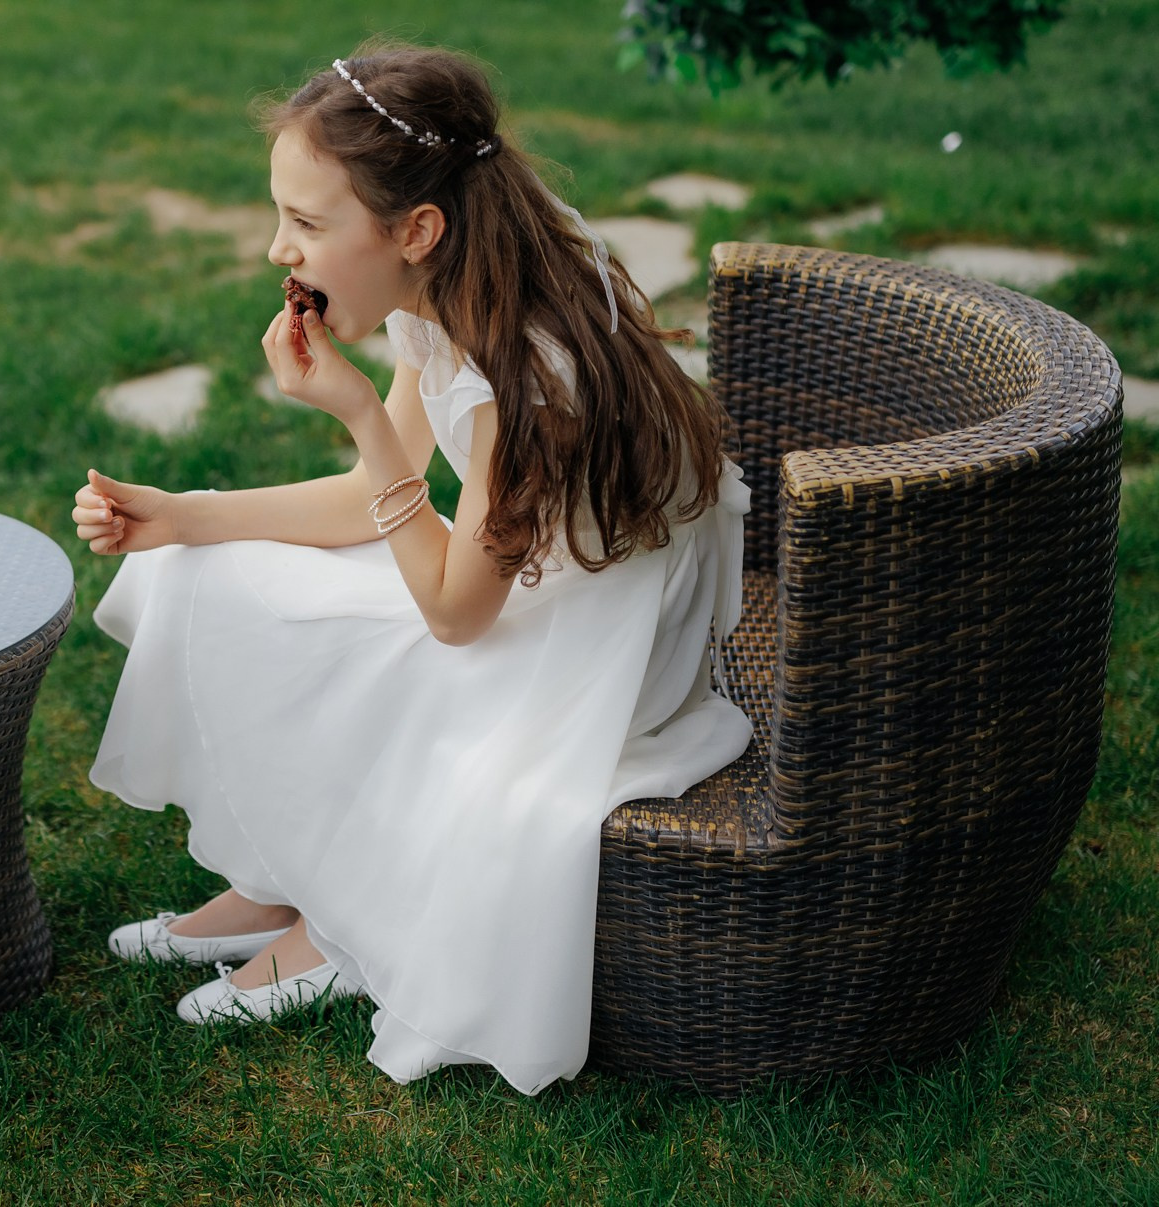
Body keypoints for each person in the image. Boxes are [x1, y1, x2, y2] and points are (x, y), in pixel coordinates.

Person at [68, 43, 753, 1096]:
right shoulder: (446, 286)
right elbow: (362, 507)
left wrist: (352, 411)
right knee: (207, 575)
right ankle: (275, 879)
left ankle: (341, 925)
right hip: (515, 590)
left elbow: (450, 615)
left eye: (303, 224)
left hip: (589, 655)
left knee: (366, 678)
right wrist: (182, 518)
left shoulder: (531, 382)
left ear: (413, 230)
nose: (273, 249)